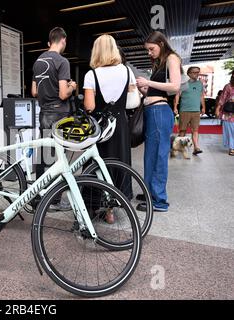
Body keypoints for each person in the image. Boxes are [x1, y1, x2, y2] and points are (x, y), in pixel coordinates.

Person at [83, 35, 137, 223]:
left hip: (99, 127)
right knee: (118, 162)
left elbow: (89, 106)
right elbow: (132, 102)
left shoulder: (92, 75)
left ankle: (92, 205)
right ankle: (111, 211)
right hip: (120, 125)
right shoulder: (127, 71)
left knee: (96, 164)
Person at [135, 31, 182, 213]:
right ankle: (150, 193)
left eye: (151, 49)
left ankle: (159, 200)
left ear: (161, 44)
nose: (149, 53)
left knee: (158, 156)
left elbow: (175, 86)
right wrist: (145, 89)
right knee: (151, 155)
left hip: (159, 112)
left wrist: (149, 82)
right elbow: (158, 92)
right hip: (153, 111)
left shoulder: (171, 58)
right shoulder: (159, 62)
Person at [32, 27, 77, 211]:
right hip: (59, 115)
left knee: (44, 157)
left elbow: (34, 91)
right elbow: (63, 93)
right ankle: (55, 200)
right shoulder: (62, 61)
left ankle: (40, 195)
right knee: (60, 159)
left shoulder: (38, 61)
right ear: (63, 40)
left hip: (43, 114)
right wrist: (72, 86)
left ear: (50, 41)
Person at [173, 67, 206, 156]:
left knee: (195, 130)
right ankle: (179, 147)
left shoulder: (200, 84)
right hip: (185, 110)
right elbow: (177, 95)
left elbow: (201, 96)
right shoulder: (183, 83)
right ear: (189, 73)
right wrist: (175, 107)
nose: (197, 74)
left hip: (196, 111)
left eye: (198, 72)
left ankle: (196, 148)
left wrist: (203, 107)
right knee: (182, 130)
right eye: (194, 72)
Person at [215, 70, 234, 156]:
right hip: (229, 113)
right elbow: (222, 98)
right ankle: (232, 148)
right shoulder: (228, 86)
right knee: (230, 131)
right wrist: (218, 108)